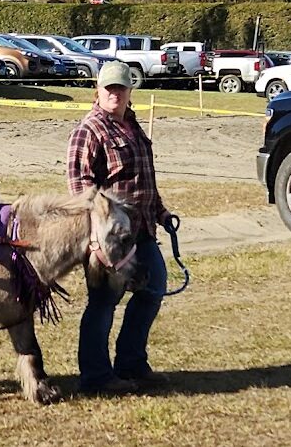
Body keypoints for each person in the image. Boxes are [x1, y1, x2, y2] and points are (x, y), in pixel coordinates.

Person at [67, 61, 176, 395]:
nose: (115, 94)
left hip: (142, 230)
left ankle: (131, 363)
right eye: (108, 88)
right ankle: (97, 376)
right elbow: (80, 187)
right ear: (98, 91)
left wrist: (161, 212)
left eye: (121, 88)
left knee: (153, 289)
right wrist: (97, 239)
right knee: (104, 302)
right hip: (110, 238)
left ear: (130, 91)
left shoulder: (132, 125)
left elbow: (144, 181)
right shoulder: (90, 129)